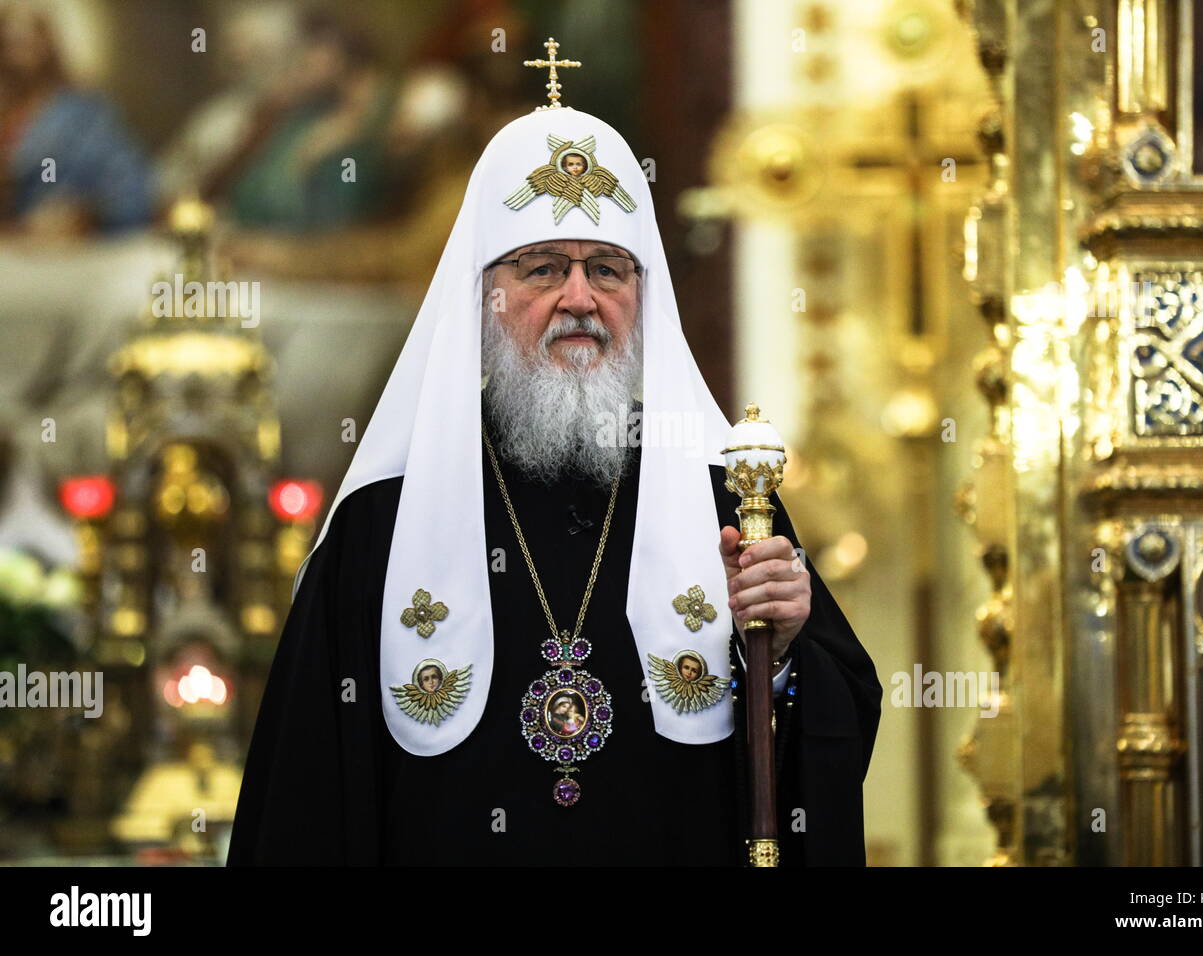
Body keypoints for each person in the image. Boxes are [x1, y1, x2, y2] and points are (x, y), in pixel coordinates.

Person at [227, 98, 882, 866]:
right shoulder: (384, 516)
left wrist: (786, 650)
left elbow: (833, 724)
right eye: (542, 268)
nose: (579, 298)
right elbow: (306, 788)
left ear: (642, 295)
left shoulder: (726, 497)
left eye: (606, 269)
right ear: (483, 295)